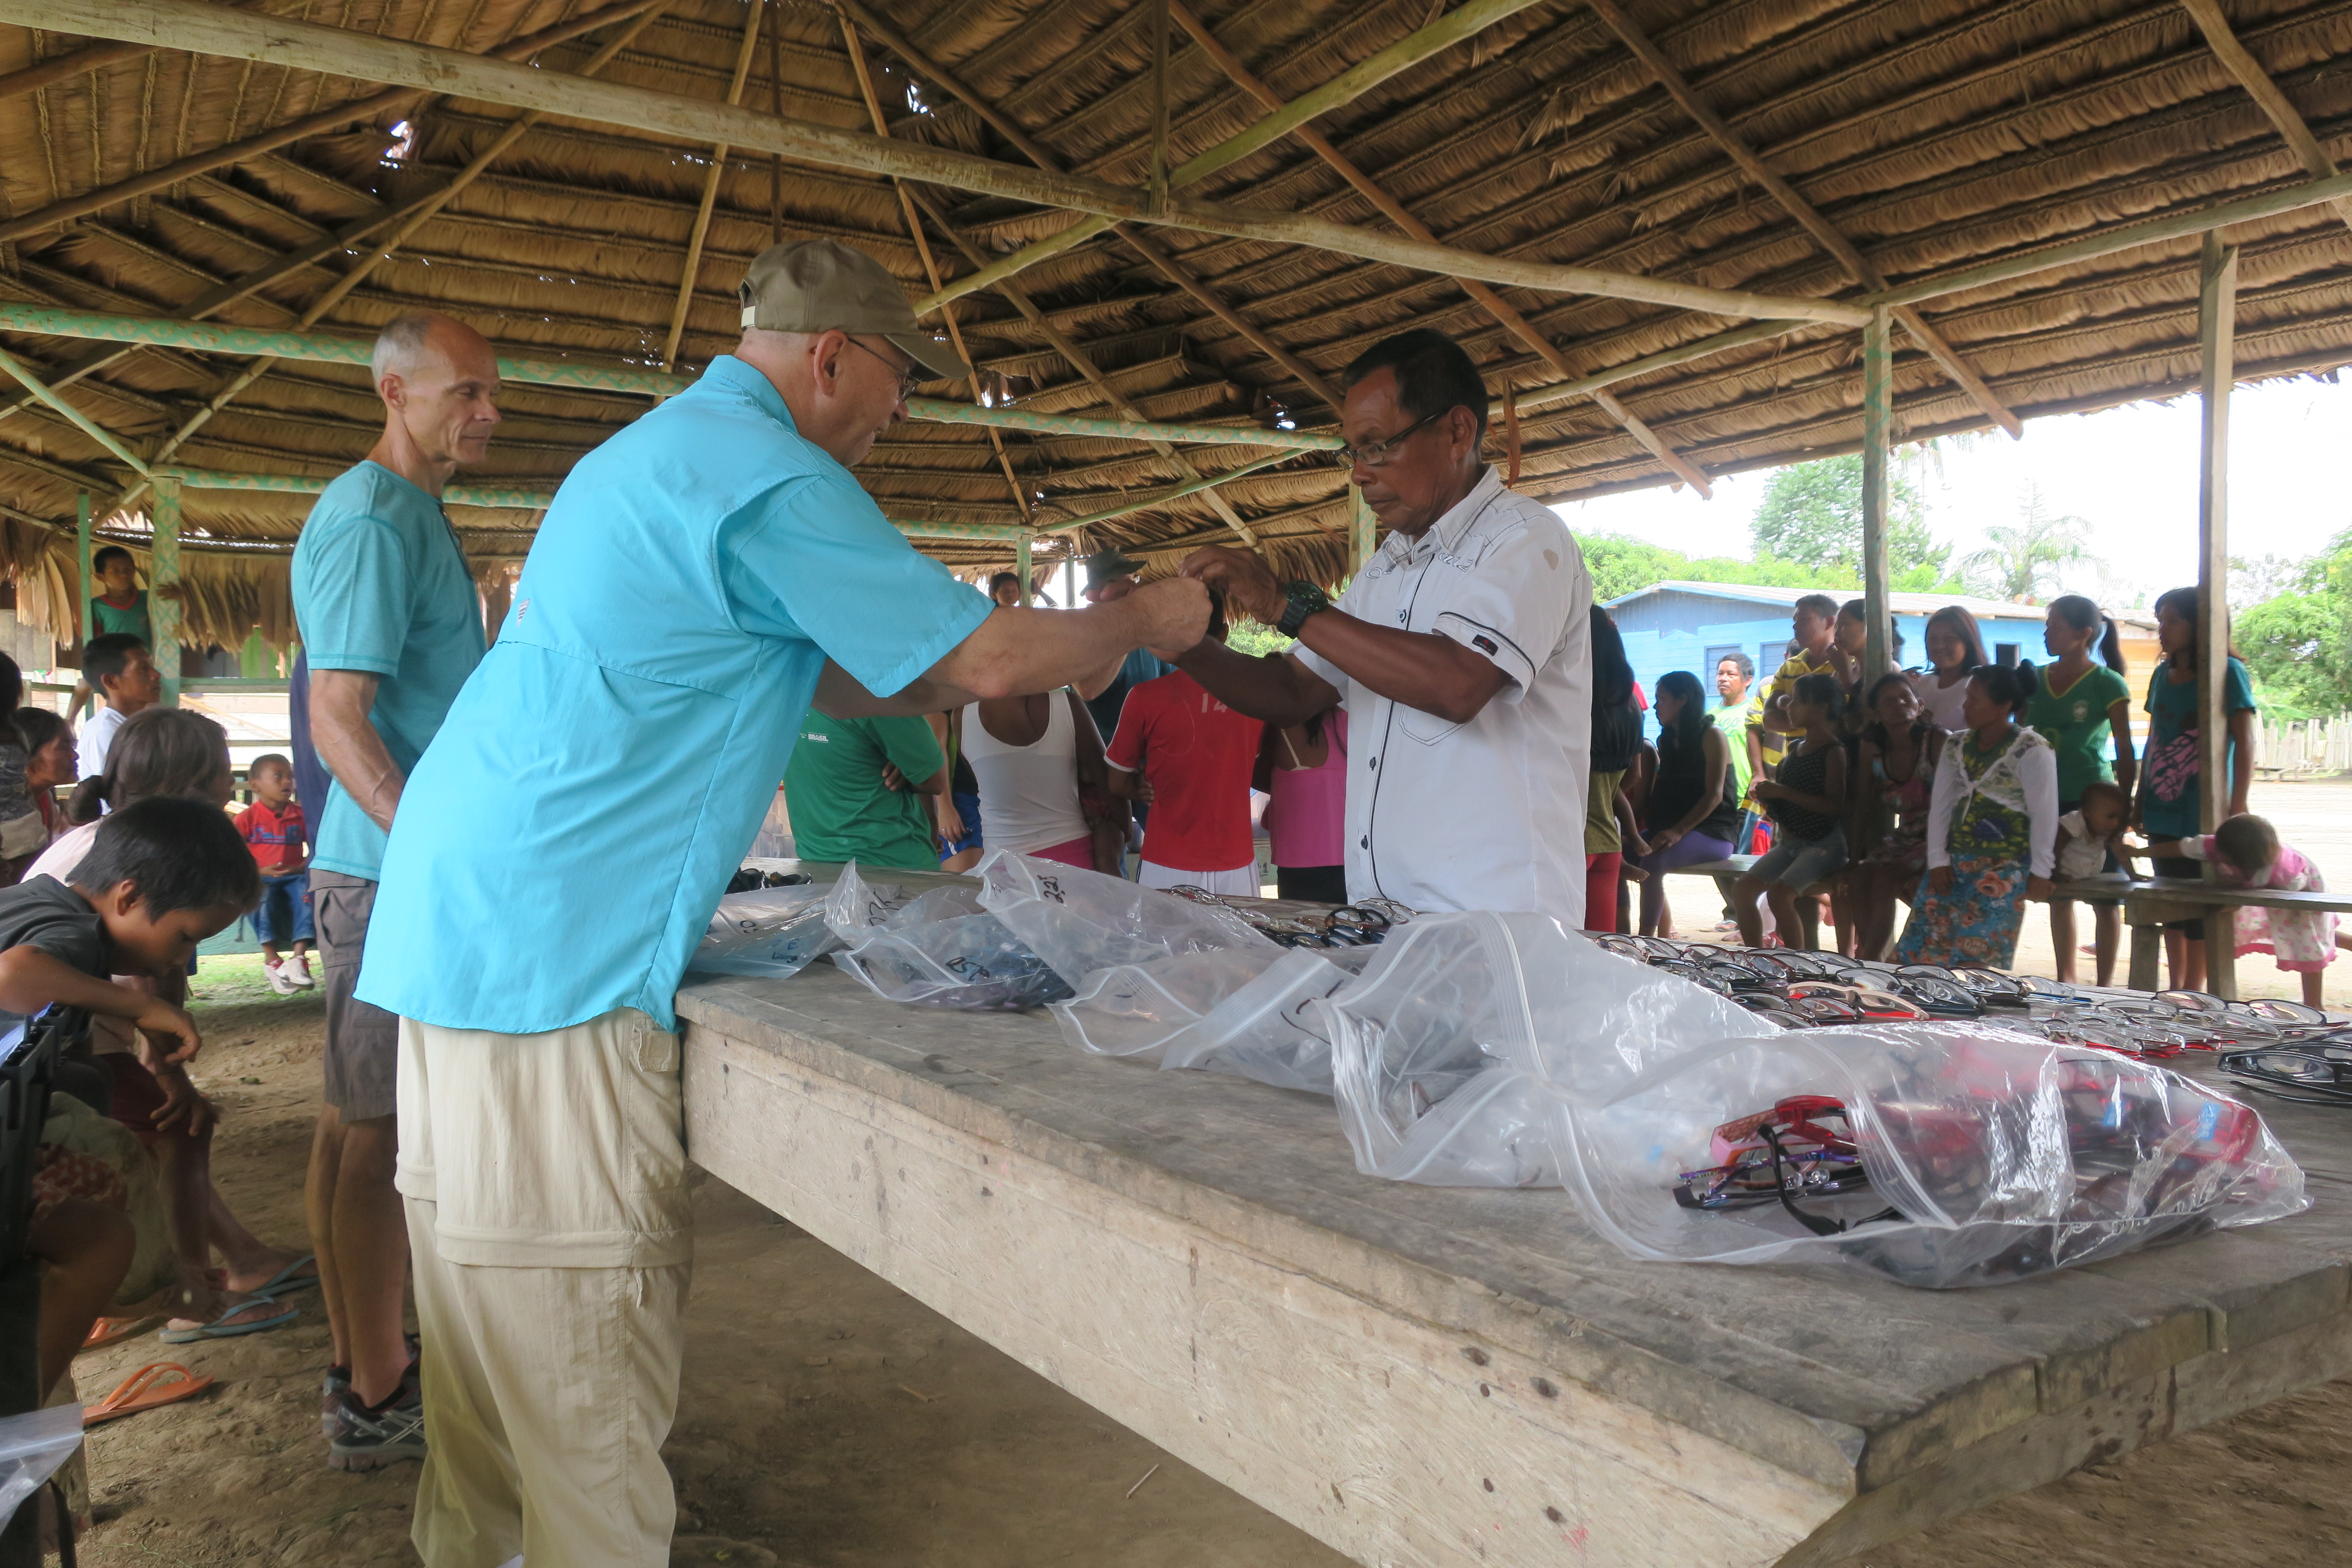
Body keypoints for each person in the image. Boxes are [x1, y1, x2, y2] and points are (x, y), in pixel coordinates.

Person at [354, 237, 1208, 1567]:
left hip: (461, 929)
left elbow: (871, 671)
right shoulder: (769, 474)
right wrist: (1146, 616)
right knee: (579, 1377)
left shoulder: (652, 456)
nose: (899, 412)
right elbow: (986, 656)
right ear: (831, 356)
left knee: (486, 1360)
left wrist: (994, 661)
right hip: (556, 960)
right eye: (899, 380)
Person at [1167, 328, 1593, 922]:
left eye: (1376, 447)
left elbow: (1458, 682)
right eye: (1353, 453)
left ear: (1457, 432)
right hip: (1389, 918)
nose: (1359, 474)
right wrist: (1179, 643)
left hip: (1500, 923)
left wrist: (1284, 604)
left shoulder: (1525, 541)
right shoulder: (1388, 566)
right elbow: (1293, 692)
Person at [291, 309, 501, 1473]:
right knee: (378, 1137)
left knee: (352, 1128)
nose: (487, 413)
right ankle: (377, 1388)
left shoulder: (410, 515)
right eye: (465, 391)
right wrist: (431, 850)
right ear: (393, 392)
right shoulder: (374, 518)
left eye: (491, 393)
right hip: (385, 876)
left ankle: (361, 1364)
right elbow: (338, 714)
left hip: (373, 869)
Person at [32, 708, 316, 1343]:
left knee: (161, 1137)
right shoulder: (132, 869)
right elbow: (121, 983)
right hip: (68, 1048)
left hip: (71, 1048)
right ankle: (187, 1296)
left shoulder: (117, 844)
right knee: (176, 1131)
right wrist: (164, 1059)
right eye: (188, 938)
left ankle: (226, 1265)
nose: (180, 953)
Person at [0, 799, 260, 1395]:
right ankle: (27, 1401)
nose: (180, 959)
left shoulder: (31, 900)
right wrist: (140, 1004)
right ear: (128, 897)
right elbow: (12, 976)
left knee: (90, 1089)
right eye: (185, 938)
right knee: (107, 1213)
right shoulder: (73, 932)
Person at [1894, 662, 2058, 968]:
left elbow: (2044, 815)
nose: (1965, 706)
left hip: (2005, 869)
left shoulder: (2033, 750)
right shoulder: (1956, 744)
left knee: (1976, 961)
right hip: (1954, 863)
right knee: (1923, 956)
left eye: (1975, 699)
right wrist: (1938, 861)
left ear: (2004, 706)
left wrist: (2041, 872)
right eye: (1967, 697)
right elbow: (1941, 807)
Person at [2137, 583, 2257, 992]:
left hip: (2203, 810)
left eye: (2173, 621)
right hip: (2160, 805)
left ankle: (2193, 991)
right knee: (2169, 899)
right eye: (2160, 621)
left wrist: (2238, 802)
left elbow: (2244, 739)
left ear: (2201, 625)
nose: (2163, 630)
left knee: (2201, 904)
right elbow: (2154, 738)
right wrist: (2140, 798)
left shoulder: (2228, 672)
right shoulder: (2161, 675)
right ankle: (2176, 989)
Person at [1107, 594, 1265, 894]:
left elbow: (1116, 781)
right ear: (1224, 634)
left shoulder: (1144, 697)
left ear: (1175, 637)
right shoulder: (1255, 696)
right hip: (1235, 862)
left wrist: (1139, 787)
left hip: (1166, 863)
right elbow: (1260, 768)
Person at [2133, 812, 2352, 1008]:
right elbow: (2181, 848)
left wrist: (2242, 884)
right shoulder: (2216, 846)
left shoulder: (2285, 870)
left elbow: (2294, 887)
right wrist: (2140, 852)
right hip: (2266, 893)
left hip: (2303, 895)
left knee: (2308, 940)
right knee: (2303, 935)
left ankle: (2314, 1003)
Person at [2029, 595, 2137, 987]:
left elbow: (2125, 749)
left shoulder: (2107, 683)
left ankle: (2105, 984)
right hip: (2046, 800)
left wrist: (2125, 808)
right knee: (2058, 889)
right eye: (2047, 626)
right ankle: (2066, 978)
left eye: (2055, 626)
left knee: (2107, 896)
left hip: (2095, 801)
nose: (2047, 634)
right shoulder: (2034, 680)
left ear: (2084, 634)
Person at [1733, 674, 1848, 949]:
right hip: (1790, 844)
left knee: (1780, 895)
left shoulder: (1834, 752)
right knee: (1742, 890)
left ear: (1821, 708)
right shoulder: (1795, 749)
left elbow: (1833, 805)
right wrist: (1769, 799)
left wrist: (1783, 793)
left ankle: (1797, 961)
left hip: (1824, 845)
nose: (1789, 706)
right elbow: (1784, 805)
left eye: (1798, 701)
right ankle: (1756, 956)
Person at [958, 689, 1124, 873]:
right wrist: (1122, 830)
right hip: (1072, 857)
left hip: (1003, 865)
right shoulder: (1067, 704)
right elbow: (1109, 784)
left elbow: (981, 780)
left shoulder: (962, 716)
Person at [1844, 674, 1944, 961]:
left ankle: (1871, 960)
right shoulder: (1873, 749)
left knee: (1886, 880)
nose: (1899, 704)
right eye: (1888, 701)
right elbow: (1863, 803)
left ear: (1919, 705)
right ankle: (1871, 957)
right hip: (1908, 835)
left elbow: (1954, 804)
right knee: (1858, 878)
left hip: (1941, 836)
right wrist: (1853, 858)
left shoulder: (1937, 741)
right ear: (1876, 713)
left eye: (1905, 697)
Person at [1635, 671, 1740, 937]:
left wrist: (1677, 831)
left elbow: (1715, 795)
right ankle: (1661, 932)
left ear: (1683, 699)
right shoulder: (1666, 739)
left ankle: (1646, 940)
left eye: (1661, 699)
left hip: (1714, 834)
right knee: (1623, 854)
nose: (1655, 706)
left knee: (1652, 863)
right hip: (1675, 831)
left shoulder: (1712, 735)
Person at [784, 710, 948, 870]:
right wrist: (907, 767)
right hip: (891, 865)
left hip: (816, 859)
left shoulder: (787, 699)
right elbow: (934, 779)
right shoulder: (874, 697)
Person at [235, 753, 316, 995]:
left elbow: (316, 850)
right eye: (278, 777)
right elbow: (232, 858)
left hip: (294, 876)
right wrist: (259, 871)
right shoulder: (246, 819)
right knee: (259, 899)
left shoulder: (300, 816)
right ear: (255, 785)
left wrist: (299, 867)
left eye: (290, 776)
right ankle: (272, 960)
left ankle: (298, 959)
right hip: (261, 878)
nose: (287, 782)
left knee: (307, 895)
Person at [1585, 606, 1643, 933]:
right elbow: (1635, 775)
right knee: (1598, 943)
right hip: (1608, 844)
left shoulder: (1576, 698)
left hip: (1569, 841)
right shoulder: (1631, 704)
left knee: (1552, 947)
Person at [1256, 706, 1347, 902]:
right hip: (1354, 855)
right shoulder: (1349, 719)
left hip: (1296, 858)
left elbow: (1256, 774)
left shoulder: (1284, 722)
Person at [75, 634, 162, 783]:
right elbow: (116, 795)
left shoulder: (141, 726)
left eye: (151, 666)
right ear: (111, 681)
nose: (156, 675)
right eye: (143, 668)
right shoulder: (105, 733)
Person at [1908, 604, 1988, 734]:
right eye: (1933, 639)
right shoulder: (1919, 684)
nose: (1940, 646)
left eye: (1950, 639)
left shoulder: (1979, 687)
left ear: (1968, 642)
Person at [15, 708, 74, 843]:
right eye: (63, 748)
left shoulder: (45, 798)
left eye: (72, 747)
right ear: (27, 756)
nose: (74, 756)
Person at [2054, 781, 2132, 882]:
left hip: (2087, 878)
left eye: (2120, 818)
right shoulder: (2075, 823)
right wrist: (2055, 874)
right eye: (2111, 817)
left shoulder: (2108, 830)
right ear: (2087, 812)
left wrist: (2133, 875)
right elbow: (2055, 848)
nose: (2116, 823)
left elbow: (2121, 854)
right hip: (2063, 879)